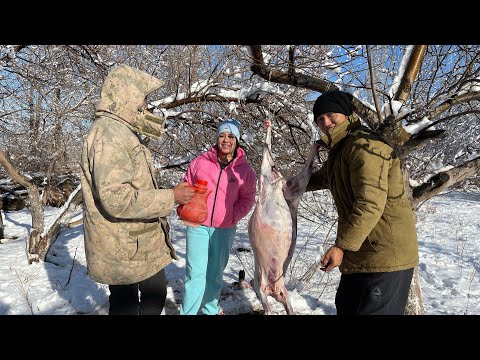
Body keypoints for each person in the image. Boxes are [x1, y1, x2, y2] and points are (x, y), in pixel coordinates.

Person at [80, 64, 195, 315]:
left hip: (139, 240)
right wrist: (171, 196)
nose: (145, 103)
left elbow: (151, 130)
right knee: (126, 305)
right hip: (121, 245)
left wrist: (146, 120)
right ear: (127, 95)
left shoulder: (121, 129)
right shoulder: (109, 134)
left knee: (155, 291)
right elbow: (115, 199)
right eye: (142, 97)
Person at [304, 90, 419, 315]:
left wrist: (341, 247)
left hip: (385, 255)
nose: (325, 122)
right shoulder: (341, 151)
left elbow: (370, 204)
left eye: (330, 115)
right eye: (319, 119)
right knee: (347, 307)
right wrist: (280, 185)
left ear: (346, 114)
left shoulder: (366, 147)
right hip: (361, 254)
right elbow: (319, 178)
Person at [179, 118, 257, 315]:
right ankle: (187, 312)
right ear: (216, 138)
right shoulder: (200, 162)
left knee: (214, 273)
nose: (226, 140)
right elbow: (185, 186)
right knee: (194, 273)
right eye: (222, 135)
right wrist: (184, 206)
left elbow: (247, 199)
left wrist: (232, 215)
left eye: (231, 136)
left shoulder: (245, 171)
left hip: (224, 228)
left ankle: (210, 310)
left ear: (237, 140)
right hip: (197, 225)